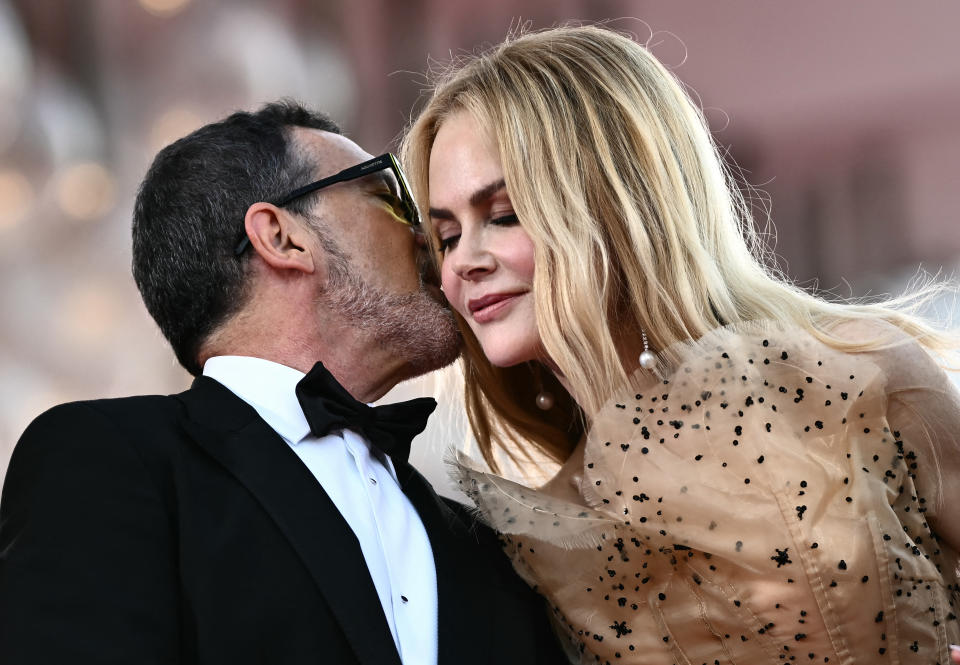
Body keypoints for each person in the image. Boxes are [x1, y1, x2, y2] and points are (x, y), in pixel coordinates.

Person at [400, 26, 960, 664]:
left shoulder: (854, 373)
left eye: (502, 215)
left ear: (614, 201)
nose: (462, 264)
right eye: (445, 237)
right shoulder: (542, 533)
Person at [0, 101, 565, 665]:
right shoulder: (108, 460)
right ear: (281, 236)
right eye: (390, 197)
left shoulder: (489, 548)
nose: (430, 238)